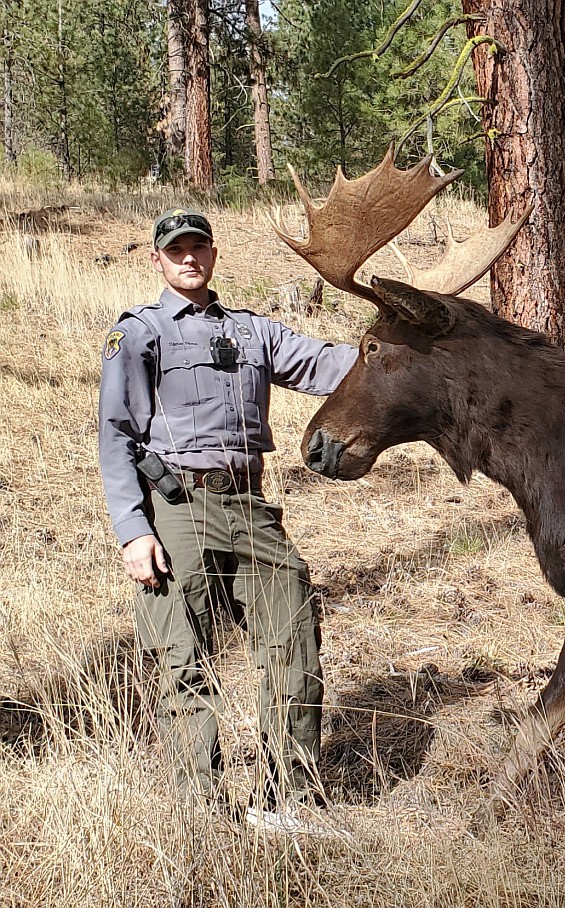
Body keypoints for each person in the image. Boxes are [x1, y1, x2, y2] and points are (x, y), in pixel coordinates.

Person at [98, 209, 357, 831]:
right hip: (177, 509)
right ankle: (199, 810)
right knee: (182, 656)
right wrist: (134, 530)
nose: (188, 258)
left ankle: (288, 797)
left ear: (214, 254)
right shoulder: (139, 334)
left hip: (249, 505)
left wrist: (400, 354)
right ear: (157, 259)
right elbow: (115, 435)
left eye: (198, 247)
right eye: (175, 250)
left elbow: (331, 365)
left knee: (291, 634)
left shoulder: (253, 333)